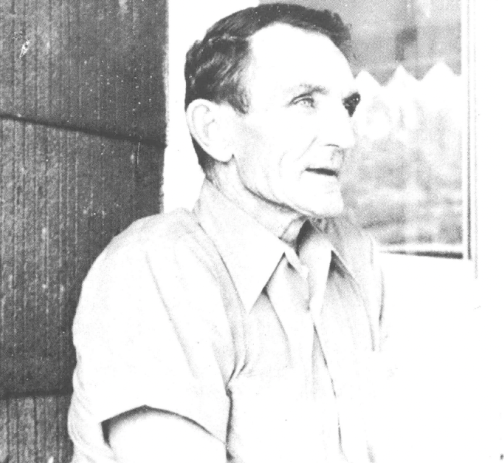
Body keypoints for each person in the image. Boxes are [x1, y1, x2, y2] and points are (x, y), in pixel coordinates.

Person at [67, 4, 384, 462]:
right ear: (214, 131)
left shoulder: (355, 256)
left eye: (346, 106)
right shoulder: (155, 268)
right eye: (305, 102)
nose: (345, 136)